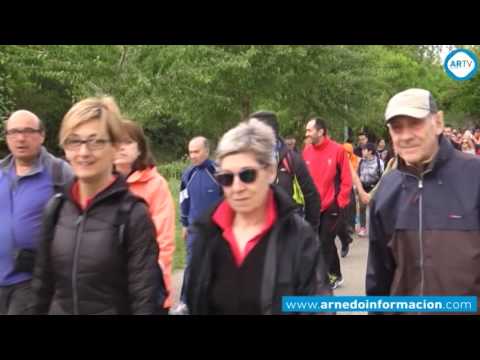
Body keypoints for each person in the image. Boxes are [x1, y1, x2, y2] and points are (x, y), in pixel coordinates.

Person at [30, 96, 163, 315]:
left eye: (95, 141)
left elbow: (145, 299)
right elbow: (41, 288)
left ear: (115, 148)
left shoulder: (132, 215)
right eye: (74, 141)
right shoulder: (56, 209)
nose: (84, 152)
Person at [185, 119, 330, 315]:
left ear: (270, 171)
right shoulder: (207, 233)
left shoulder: (298, 237)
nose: (236, 188)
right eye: (226, 178)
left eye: (247, 176)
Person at [366, 88, 480, 314]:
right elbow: (379, 277)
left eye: (415, 124)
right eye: (397, 128)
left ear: (438, 123)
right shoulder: (387, 190)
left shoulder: (475, 177)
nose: (406, 136)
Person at [0, 110, 73, 315]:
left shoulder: (60, 172)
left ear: (42, 135)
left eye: (28, 131)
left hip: (32, 280)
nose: (20, 138)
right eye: (13, 132)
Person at [114, 119, 175, 314]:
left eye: (128, 142)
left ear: (139, 148)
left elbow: (164, 239)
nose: (121, 148)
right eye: (116, 142)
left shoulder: (155, 184)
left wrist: (154, 278)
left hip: (147, 283)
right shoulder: (102, 183)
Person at [249, 111, 320, 233]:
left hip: (288, 233)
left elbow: (311, 197)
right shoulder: (243, 160)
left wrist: (310, 233)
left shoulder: (292, 161)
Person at [303, 117, 352, 290]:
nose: (306, 133)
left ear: (321, 131)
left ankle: (335, 275)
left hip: (332, 205)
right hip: (312, 206)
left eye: (309, 130)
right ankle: (318, 275)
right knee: (312, 241)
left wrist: (341, 201)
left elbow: (347, 178)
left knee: (325, 241)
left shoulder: (337, 150)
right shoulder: (306, 152)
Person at [175, 136, 223, 313]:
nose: (192, 156)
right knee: (191, 265)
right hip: (194, 229)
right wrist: (184, 224)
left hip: (217, 230)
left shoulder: (218, 172)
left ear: (206, 151)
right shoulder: (188, 174)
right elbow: (183, 199)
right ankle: (184, 302)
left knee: (216, 266)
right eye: (190, 152)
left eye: (196, 152)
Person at [357, 143, 384, 237]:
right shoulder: (361, 162)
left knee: (374, 209)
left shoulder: (379, 162)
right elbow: (357, 174)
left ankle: (376, 228)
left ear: (370, 151)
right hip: (363, 187)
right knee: (362, 208)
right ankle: (362, 227)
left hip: (374, 188)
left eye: (364, 150)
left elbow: (382, 176)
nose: (362, 151)